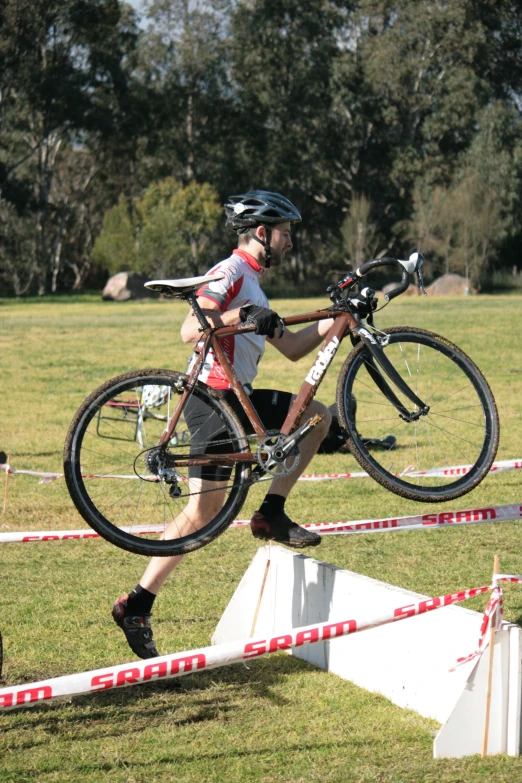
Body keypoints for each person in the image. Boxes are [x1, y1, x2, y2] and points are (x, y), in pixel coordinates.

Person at [112, 190, 335, 659]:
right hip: (212, 399)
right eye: (286, 234)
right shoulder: (231, 271)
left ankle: (270, 511)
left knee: (317, 417)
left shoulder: (255, 283)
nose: (290, 243)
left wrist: (339, 320)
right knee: (200, 515)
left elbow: (293, 347)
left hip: (240, 399)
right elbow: (191, 329)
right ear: (261, 233)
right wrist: (240, 315)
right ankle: (136, 604)